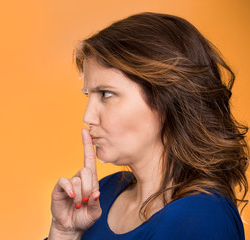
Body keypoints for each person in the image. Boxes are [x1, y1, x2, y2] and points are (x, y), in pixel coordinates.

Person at [45, 12, 249, 239]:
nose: (88, 116)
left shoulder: (202, 219)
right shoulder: (102, 195)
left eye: (106, 94)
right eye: (88, 95)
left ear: (166, 99)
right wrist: (64, 232)